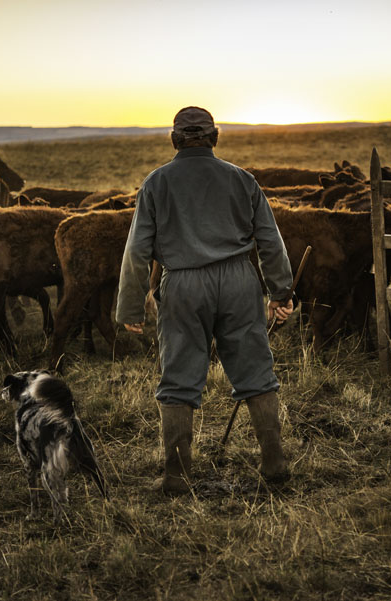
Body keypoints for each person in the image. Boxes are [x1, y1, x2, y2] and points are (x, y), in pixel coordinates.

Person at [116, 106, 295, 495]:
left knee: (178, 379)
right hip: (238, 281)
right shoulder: (242, 179)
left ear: (175, 139)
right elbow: (270, 239)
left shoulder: (156, 183)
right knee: (256, 373)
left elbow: (137, 251)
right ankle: (275, 465)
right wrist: (280, 291)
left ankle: (177, 477)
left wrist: (131, 307)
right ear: (214, 137)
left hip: (182, 283)